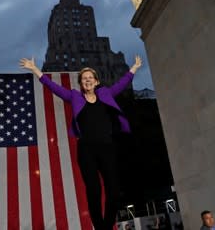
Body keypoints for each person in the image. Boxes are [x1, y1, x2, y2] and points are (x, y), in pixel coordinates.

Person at [19, 56, 142, 230]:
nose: (87, 80)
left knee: (113, 191)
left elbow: (121, 84)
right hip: (86, 150)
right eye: (84, 78)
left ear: (96, 81)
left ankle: (105, 227)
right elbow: (53, 87)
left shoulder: (106, 93)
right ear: (81, 83)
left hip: (107, 147)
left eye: (90, 77)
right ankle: (100, 227)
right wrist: (35, 69)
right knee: (94, 191)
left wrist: (134, 68)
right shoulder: (74, 97)